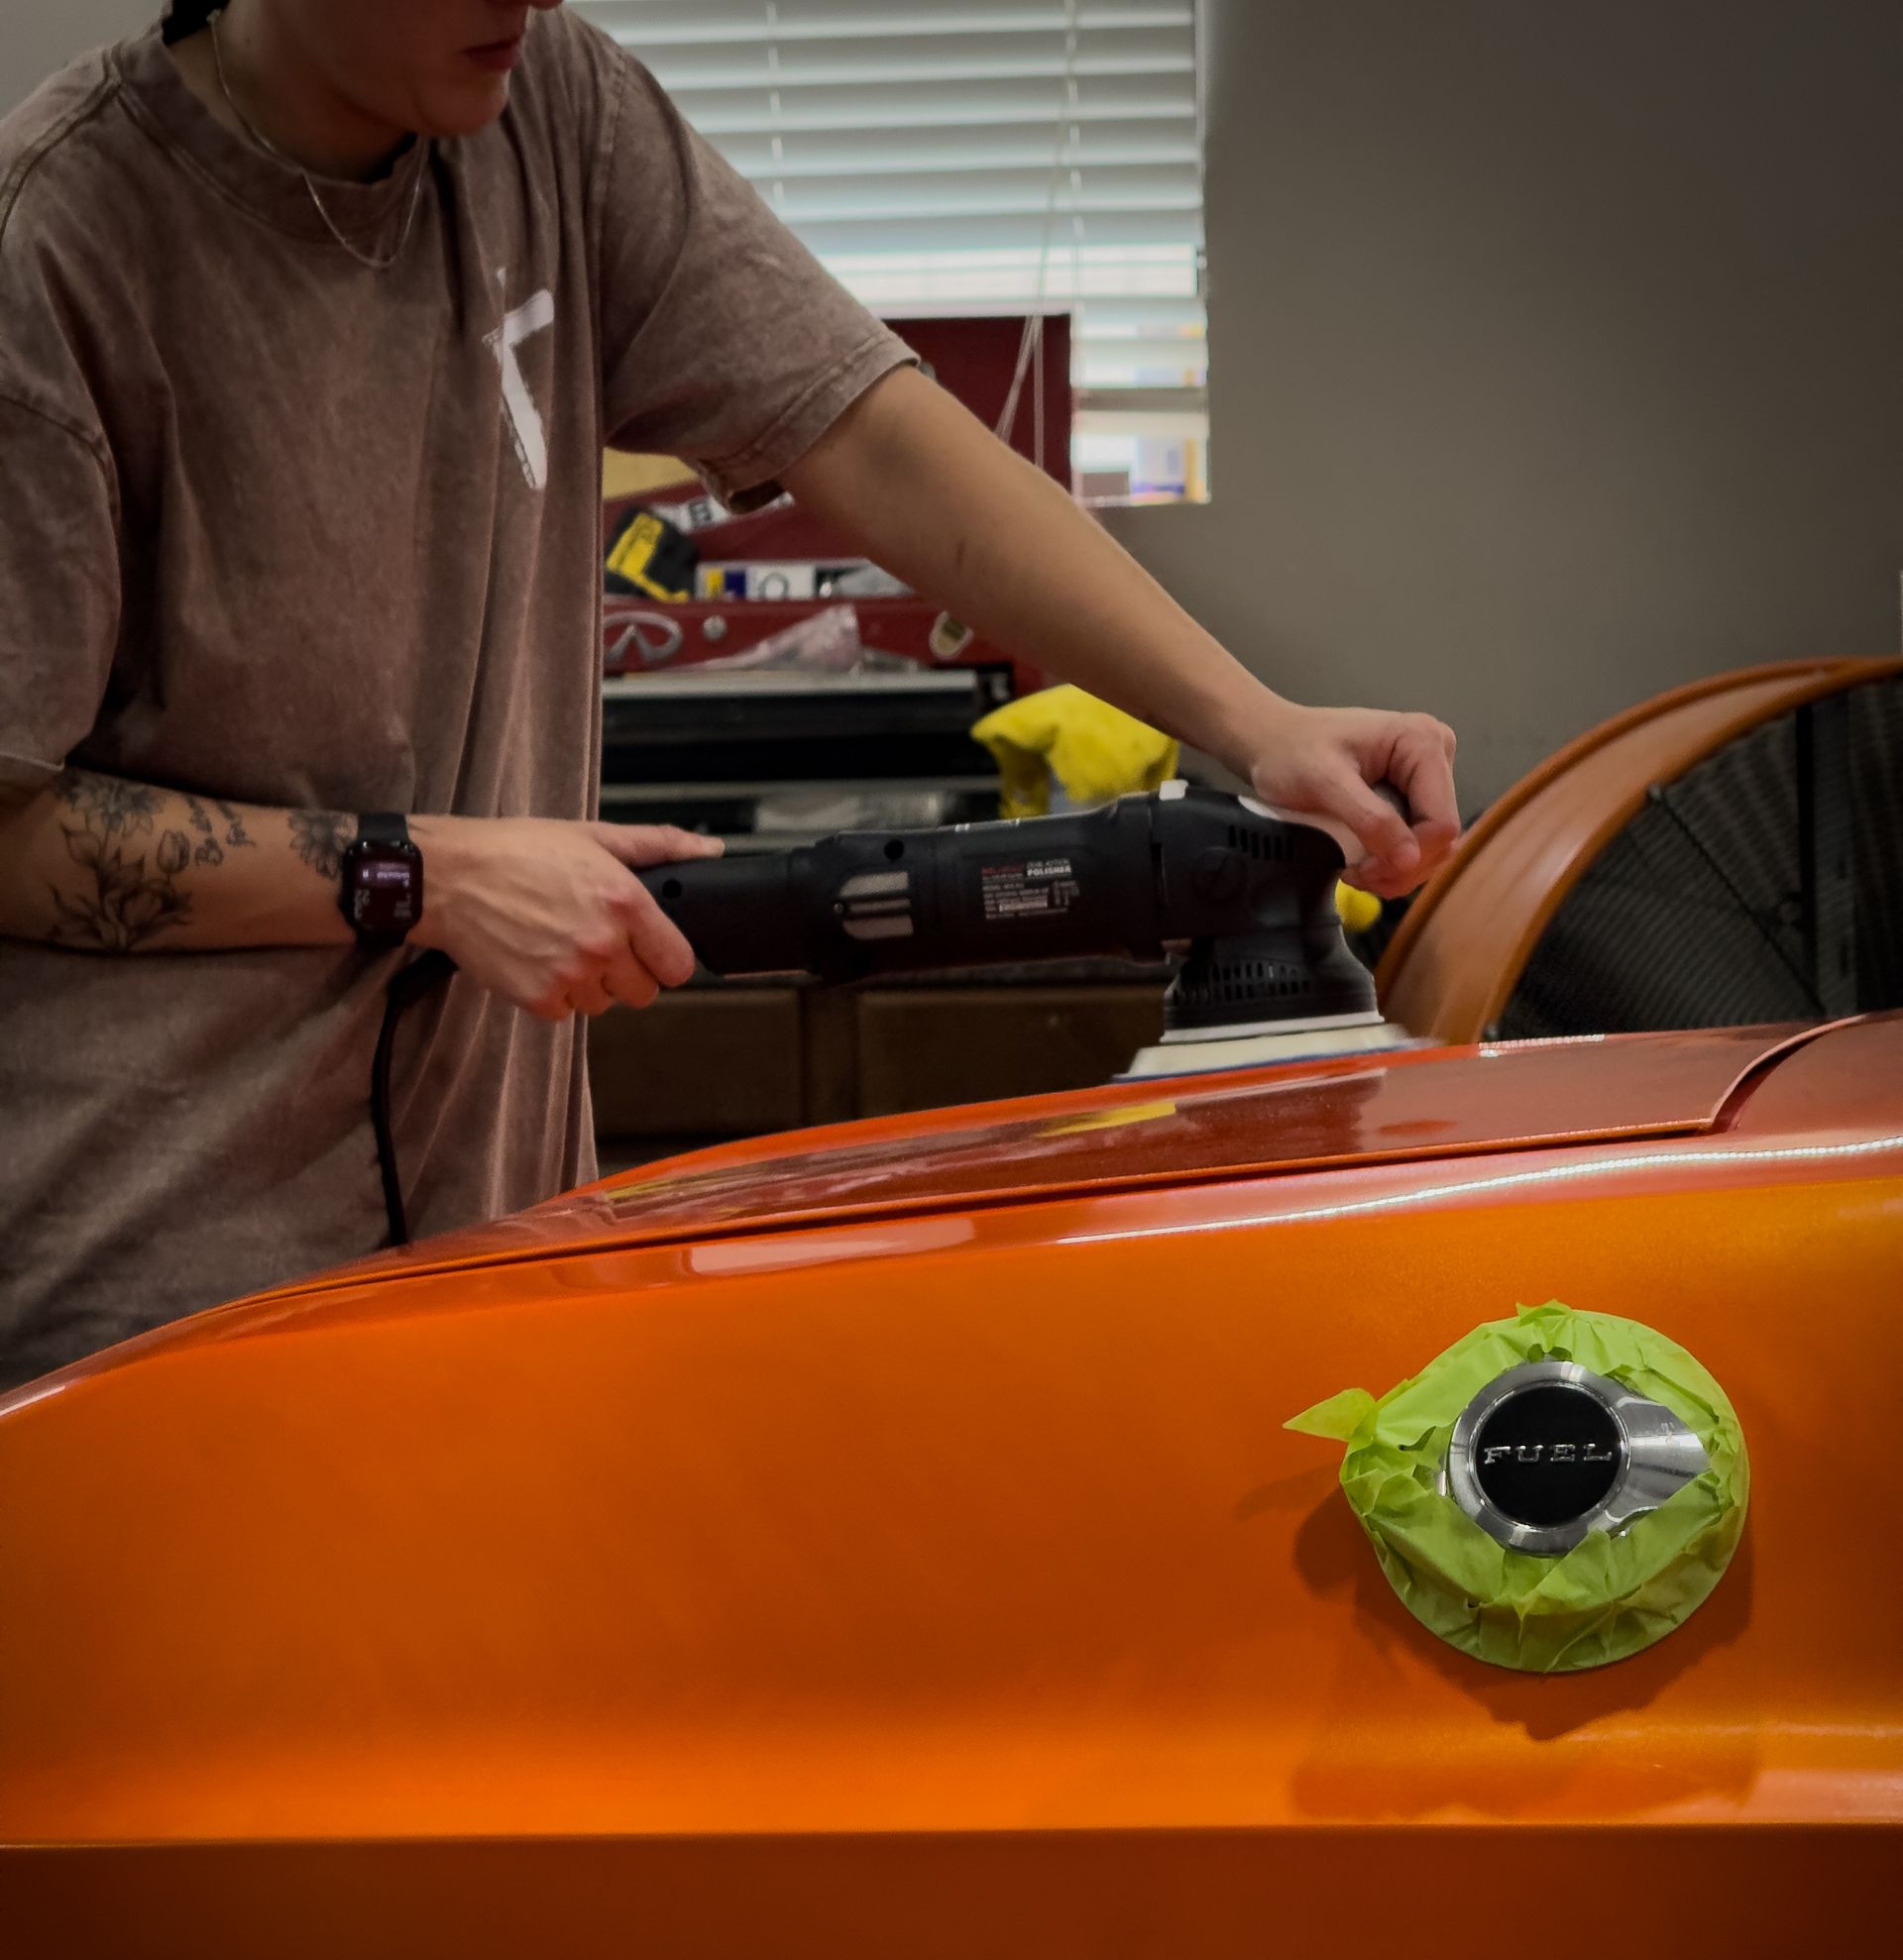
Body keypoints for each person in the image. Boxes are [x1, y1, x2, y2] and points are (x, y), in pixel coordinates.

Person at [0, 0, 1461, 1392]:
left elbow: (867, 433)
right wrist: (419, 877)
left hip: (473, 1236)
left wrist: (1259, 725)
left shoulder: (550, 108)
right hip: (156, 1289)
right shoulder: (54, 247)